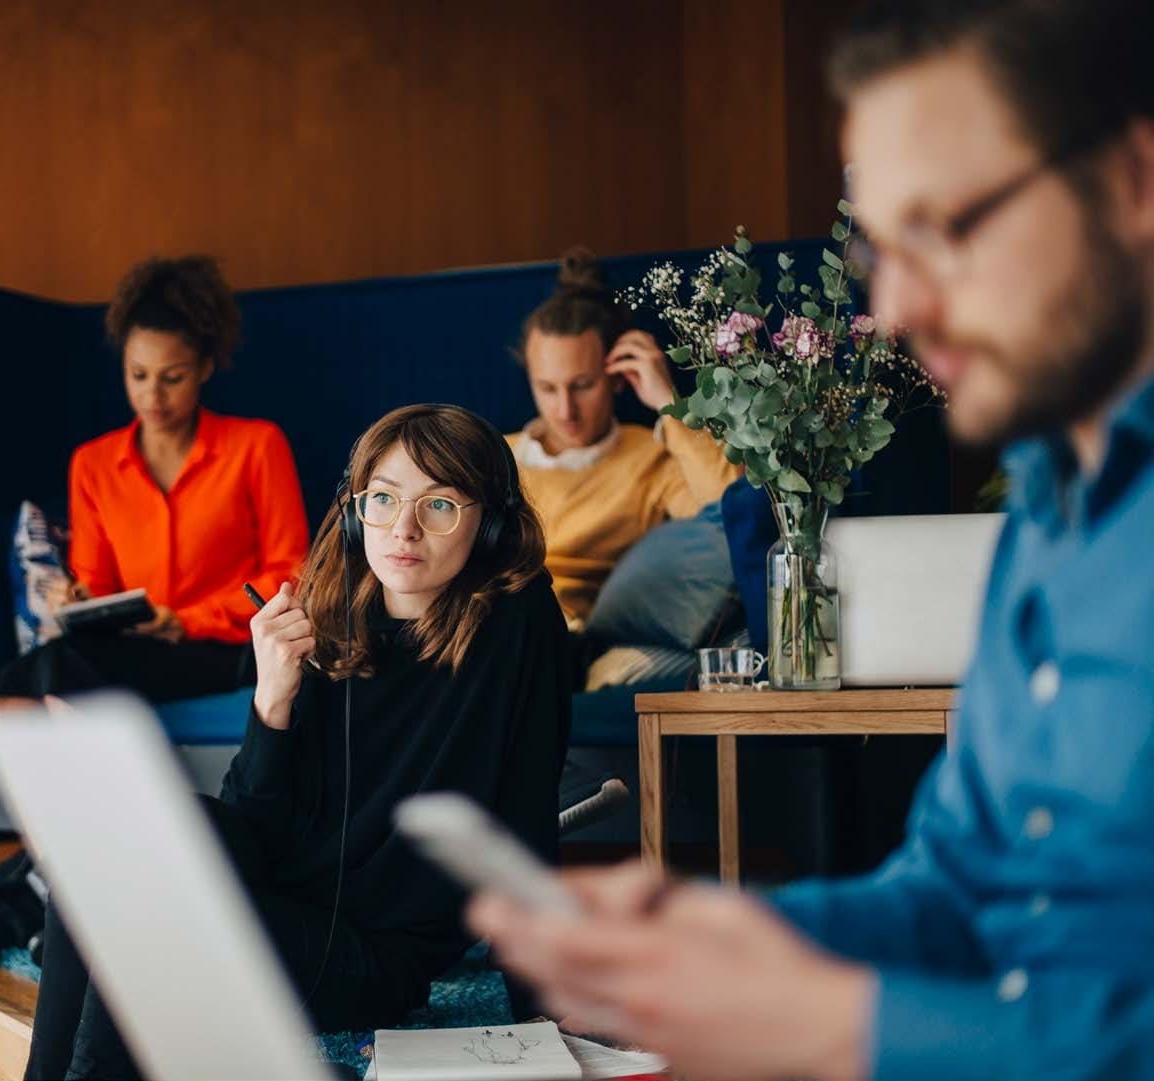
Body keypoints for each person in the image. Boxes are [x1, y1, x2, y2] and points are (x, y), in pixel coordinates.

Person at [470, 1, 1154, 1078]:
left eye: (948, 227)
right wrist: (740, 940)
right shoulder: (1047, 516)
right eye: (884, 243)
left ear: (1130, 182)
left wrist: (841, 1027)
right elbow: (960, 892)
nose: (899, 305)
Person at [24, 404, 571, 1079]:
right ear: (353, 510)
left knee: (148, 907)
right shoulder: (326, 611)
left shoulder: (518, 624)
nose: (403, 528)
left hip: (367, 959)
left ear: (485, 524)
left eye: (439, 505)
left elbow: (526, 817)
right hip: (275, 907)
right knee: (130, 840)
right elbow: (253, 827)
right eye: (383, 499)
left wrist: (545, 1013)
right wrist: (271, 700)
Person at [0, 255, 309, 710]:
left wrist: (184, 621)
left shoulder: (257, 446)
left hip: (233, 646)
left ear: (204, 369)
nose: (152, 397)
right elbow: (95, 580)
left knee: (45, 677)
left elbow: (290, 574)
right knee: (22, 686)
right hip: (131, 647)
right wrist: (77, 599)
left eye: (172, 378)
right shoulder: (92, 463)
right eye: (138, 375)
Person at [510, 249, 741, 628]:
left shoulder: (653, 457)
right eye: (547, 388)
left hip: (557, 632)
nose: (565, 410)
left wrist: (671, 405)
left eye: (582, 386)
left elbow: (733, 508)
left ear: (617, 376)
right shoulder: (490, 453)